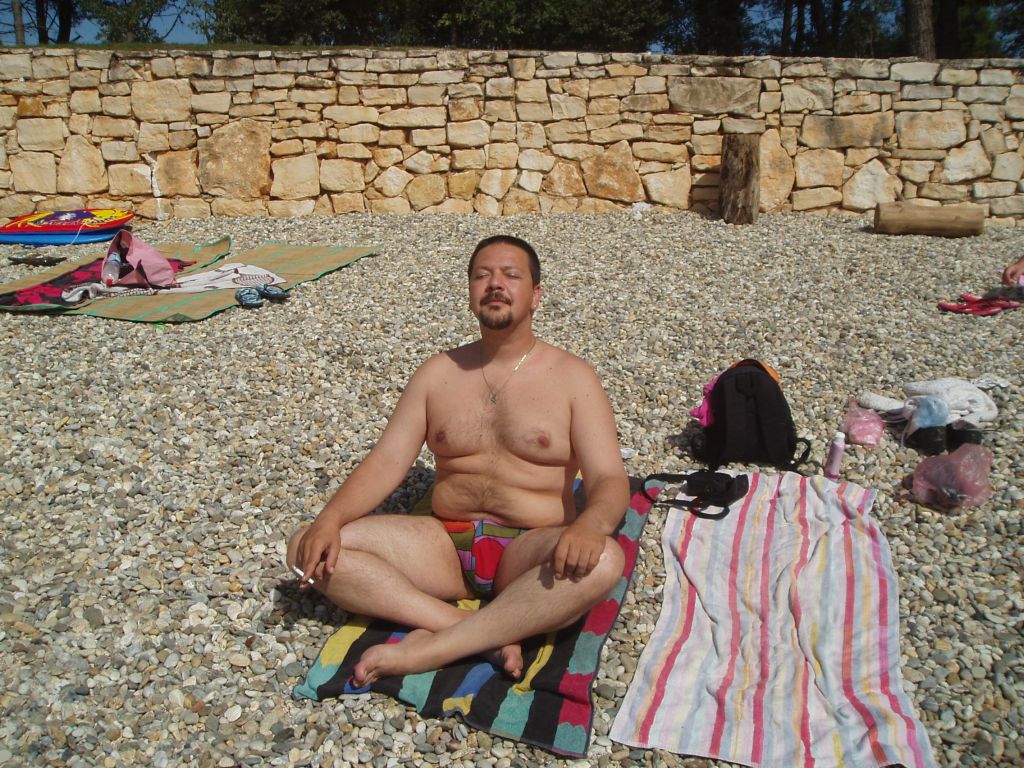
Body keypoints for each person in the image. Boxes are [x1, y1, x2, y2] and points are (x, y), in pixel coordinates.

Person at [287, 235, 629, 686]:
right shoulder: (438, 374)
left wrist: (590, 526)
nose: (495, 284)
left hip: (530, 549)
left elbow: (609, 477)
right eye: (482, 276)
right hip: (444, 545)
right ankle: (469, 630)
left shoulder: (573, 378)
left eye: (511, 275)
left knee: (604, 560)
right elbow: (387, 461)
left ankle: (433, 649)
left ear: (535, 295)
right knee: (305, 547)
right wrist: (330, 519)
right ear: (470, 294)